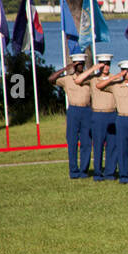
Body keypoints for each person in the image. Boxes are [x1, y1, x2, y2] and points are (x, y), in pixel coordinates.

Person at [96, 59, 128, 184]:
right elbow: (99, 86)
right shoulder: (115, 85)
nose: (127, 74)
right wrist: (116, 77)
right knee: (122, 149)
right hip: (122, 119)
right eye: (125, 71)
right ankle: (123, 175)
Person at [50, 51, 94, 179]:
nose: (80, 66)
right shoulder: (67, 79)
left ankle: (84, 170)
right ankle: (74, 171)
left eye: (82, 63)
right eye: (78, 64)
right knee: (73, 141)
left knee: (86, 142)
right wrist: (65, 68)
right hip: (73, 111)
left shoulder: (89, 79)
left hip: (86, 110)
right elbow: (51, 79)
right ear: (74, 65)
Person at [87, 53, 117, 182]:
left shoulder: (115, 78)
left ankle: (110, 172)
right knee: (98, 145)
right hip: (98, 114)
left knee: (112, 145)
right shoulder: (93, 78)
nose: (106, 67)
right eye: (103, 64)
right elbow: (78, 79)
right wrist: (93, 68)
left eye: (108, 64)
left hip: (112, 113)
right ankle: (98, 173)